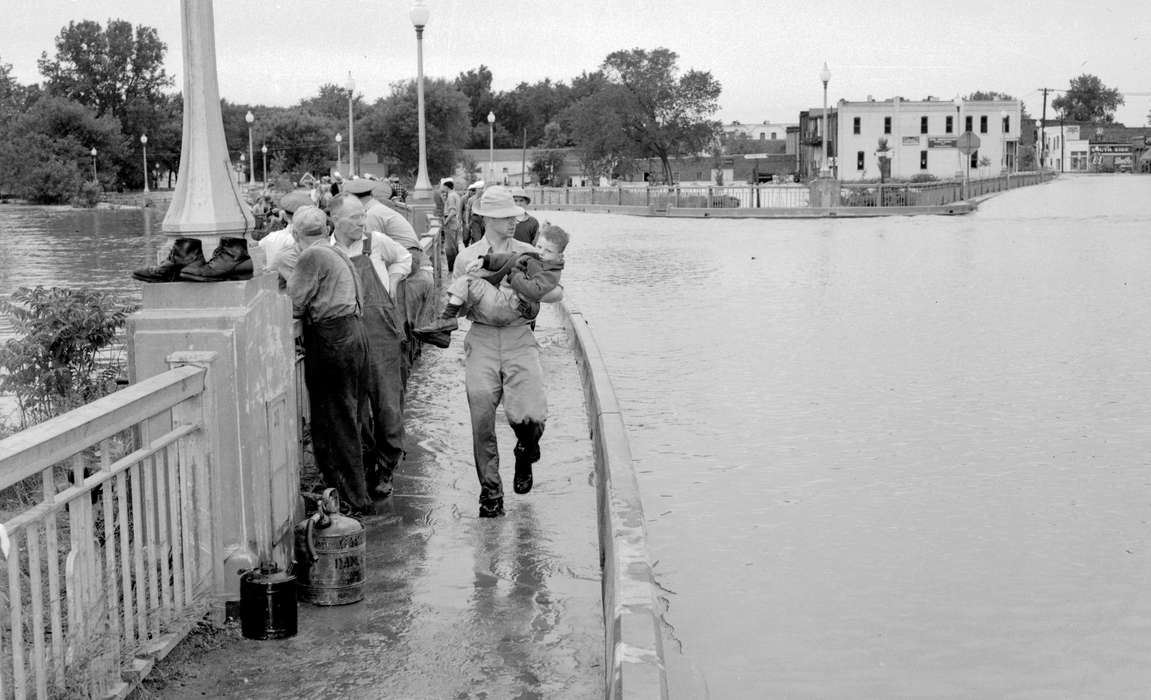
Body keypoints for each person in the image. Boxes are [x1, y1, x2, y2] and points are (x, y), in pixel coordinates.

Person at [443, 186, 562, 518]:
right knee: (482, 420)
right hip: (481, 338)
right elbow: (458, 299)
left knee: (533, 415)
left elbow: (555, 292)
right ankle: (491, 493)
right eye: (505, 217)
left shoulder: (528, 252)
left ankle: (525, 453)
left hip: (519, 337)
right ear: (487, 219)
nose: (512, 222)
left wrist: (528, 285)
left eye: (514, 217)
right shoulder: (468, 257)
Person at [285, 206, 373, 516]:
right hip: (353, 333)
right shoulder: (335, 252)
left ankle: (352, 498)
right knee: (349, 414)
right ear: (326, 229)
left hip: (331, 338)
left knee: (335, 419)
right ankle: (353, 491)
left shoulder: (311, 256)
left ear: (295, 234)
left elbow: (294, 304)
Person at [329, 193, 411, 499]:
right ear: (335, 220)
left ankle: (387, 465)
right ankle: (364, 467)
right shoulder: (327, 251)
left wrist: (393, 282)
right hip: (347, 334)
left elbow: (405, 258)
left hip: (380, 332)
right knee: (354, 406)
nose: (362, 222)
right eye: (354, 218)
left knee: (388, 402)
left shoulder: (375, 242)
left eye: (363, 216)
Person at [415, 223, 568, 347]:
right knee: (467, 282)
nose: (541, 252)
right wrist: (484, 261)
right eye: (540, 247)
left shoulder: (545, 267)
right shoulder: (465, 256)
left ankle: (445, 324)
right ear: (488, 219)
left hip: (513, 311)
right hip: (488, 325)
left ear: (559, 255)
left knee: (467, 280)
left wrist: (515, 277)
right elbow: (507, 259)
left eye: (548, 251)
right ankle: (444, 326)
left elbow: (543, 291)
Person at [260, 190, 314, 286]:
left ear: (284, 216)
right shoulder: (305, 241)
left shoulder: (270, 238)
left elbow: (263, 263)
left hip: (271, 287)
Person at [440, 178, 463, 274]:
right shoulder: (456, 195)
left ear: (446, 186)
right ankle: (456, 267)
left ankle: (452, 268)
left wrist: (445, 222)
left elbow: (452, 211)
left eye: (443, 186)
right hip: (455, 222)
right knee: (454, 245)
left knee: (449, 246)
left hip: (450, 222)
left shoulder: (450, 196)